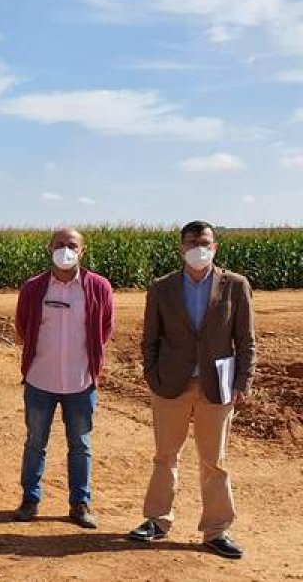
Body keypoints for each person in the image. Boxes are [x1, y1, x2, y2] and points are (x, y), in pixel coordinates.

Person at [127, 221, 256, 560]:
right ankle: (157, 521)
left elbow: (246, 341)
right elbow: (150, 338)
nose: (199, 247)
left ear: (215, 247)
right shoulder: (162, 288)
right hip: (172, 384)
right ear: (181, 247)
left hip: (218, 386)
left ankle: (216, 530)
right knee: (165, 456)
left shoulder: (236, 285)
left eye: (205, 242)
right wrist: (152, 376)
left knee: (215, 461)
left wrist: (242, 382)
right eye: (192, 242)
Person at [13, 228, 114, 528]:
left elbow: (105, 328)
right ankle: (30, 499)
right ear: (49, 248)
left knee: (80, 444)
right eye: (59, 244)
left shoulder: (98, 287)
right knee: (35, 442)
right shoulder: (34, 288)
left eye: (72, 245)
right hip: (39, 380)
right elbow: (23, 326)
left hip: (81, 382)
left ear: (82, 251)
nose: (65, 250)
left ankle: (80, 503)